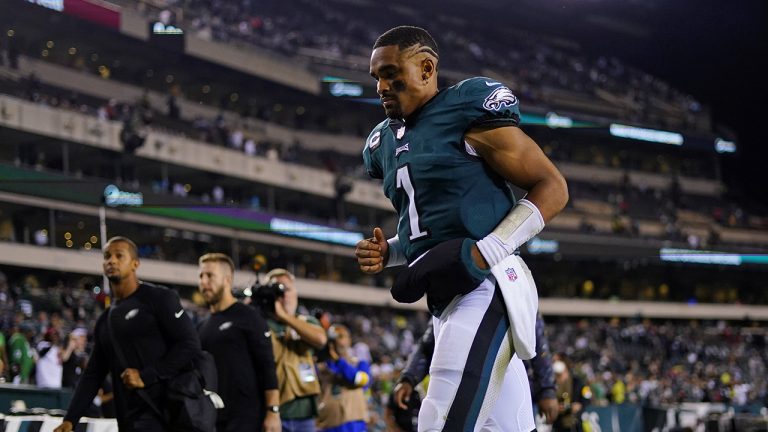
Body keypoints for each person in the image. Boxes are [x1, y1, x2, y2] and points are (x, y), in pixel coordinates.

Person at [355, 26, 568, 431]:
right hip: (447, 297)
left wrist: (490, 249)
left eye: (391, 74)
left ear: (426, 68)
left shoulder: (465, 109)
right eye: (376, 77)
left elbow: (553, 187)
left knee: (438, 421)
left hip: (488, 285)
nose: (381, 86)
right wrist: (391, 253)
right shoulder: (382, 142)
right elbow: (432, 231)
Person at [54, 236, 202, 432]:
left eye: (119, 256)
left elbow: (190, 344)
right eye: (107, 256)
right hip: (129, 419)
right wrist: (70, 419)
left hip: (168, 413)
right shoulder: (104, 321)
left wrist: (147, 376)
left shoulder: (159, 298)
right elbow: (93, 374)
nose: (111, 261)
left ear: (135, 263)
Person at [392, 316, 559, 429]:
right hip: (465, 385)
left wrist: (547, 389)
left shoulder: (509, 280)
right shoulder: (452, 288)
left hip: (506, 382)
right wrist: (409, 376)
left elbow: (537, 341)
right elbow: (430, 343)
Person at [197, 253, 281, 432]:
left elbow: (267, 367)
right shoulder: (201, 326)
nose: (203, 282)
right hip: (213, 419)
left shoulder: (249, 316)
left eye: (210, 275)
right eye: (201, 276)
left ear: (227, 279)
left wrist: (273, 412)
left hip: (246, 419)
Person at [264, 268, 328, 432]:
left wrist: (286, 317)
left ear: (296, 293)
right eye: (278, 290)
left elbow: (320, 339)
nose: (283, 294)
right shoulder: (261, 323)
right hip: (273, 411)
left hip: (304, 413)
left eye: (287, 289)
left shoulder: (306, 321)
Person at [316, 324, 371, 432]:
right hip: (328, 425)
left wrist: (338, 361)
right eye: (333, 338)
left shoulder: (360, 364)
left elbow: (358, 380)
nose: (337, 341)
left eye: (341, 336)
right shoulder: (322, 366)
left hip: (354, 425)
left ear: (349, 340)